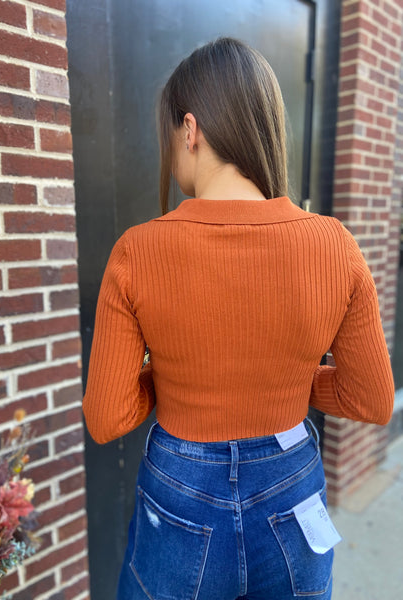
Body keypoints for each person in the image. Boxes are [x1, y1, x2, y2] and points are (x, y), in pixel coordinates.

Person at [82, 37, 394, 600]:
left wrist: (176, 375)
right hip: (291, 485)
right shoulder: (334, 245)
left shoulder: (138, 251)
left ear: (190, 129)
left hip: (181, 490)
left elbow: (106, 416)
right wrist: (293, 379)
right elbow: (371, 399)